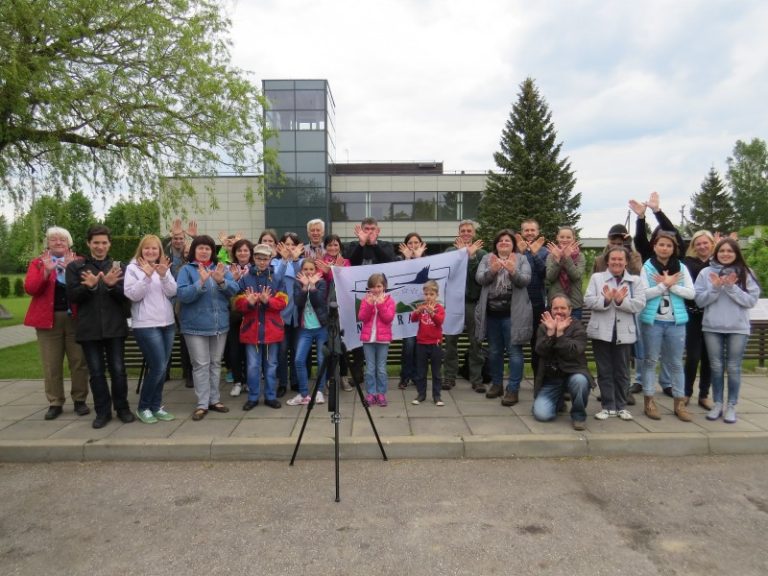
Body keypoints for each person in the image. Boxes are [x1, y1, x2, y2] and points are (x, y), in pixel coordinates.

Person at [65, 225, 134, 429]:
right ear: (88, 243)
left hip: (114, 327)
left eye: (104, 242)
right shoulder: (76, 268)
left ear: (109, 244)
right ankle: (102, 411)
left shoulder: (119, 267)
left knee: (119, 371)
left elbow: (127, 298)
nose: (100, 246)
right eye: (96, 242)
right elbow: (72, 296)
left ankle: (122, 408)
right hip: (89, 329)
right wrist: (91, 286)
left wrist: (112, 286)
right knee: (96, 373)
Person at [24, 227, 90, 420]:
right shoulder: (38, 263)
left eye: (62, 239)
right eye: (54, 239)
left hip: (75, 319)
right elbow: (31, 288)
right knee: (51, 364)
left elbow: (86, 289)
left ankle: (80, 400)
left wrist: (72, 270)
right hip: (48, 320)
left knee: (78, 361)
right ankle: (55, 402)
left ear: (69, 243)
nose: (58, 242)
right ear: (48, 243)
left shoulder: (79, 262)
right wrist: (46, 272)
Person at [694, 238, 760, 423]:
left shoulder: (746, 273)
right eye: (722, 250)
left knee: (733, 367)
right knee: (715, 367)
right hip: (712, 327)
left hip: (738, 328)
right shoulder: (706, 272)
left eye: (730, 251)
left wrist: (731, 288)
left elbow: (750, 301)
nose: (725, 254)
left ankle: (731, 405)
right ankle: (717, 403)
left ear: (736, 253)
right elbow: (699, 300)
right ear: (716, 253)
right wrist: (715, 288)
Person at [176, 235, 239, 421]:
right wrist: (200, 283)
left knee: (215, 363)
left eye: (208, 248)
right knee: (201, 365)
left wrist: (221, 281)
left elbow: (234, 289)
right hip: (194, 327)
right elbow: (183, 295)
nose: (204, 251)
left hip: (219, 326)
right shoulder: (186, 270)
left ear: (213, 251)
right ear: (194, 250)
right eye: (200, 247)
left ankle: (215, 400)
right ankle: (202, 403)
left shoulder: (221, 268)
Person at [584, 246, 646, 421]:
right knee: (604, 370)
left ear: (626, 261)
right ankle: (607, 406)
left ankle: (621, 406)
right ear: (607, 261)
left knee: (622, 370)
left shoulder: (635, 281)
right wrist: (605, 299)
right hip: (601, 331)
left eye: (620, 259)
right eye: (613, 259)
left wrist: (620, 301)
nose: (617, 262)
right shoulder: (598, 278)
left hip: (624, 332)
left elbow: (639, 304)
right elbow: (588, 300)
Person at [638, 232, 694, 422]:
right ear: (655, 246)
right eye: (661, 244)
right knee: (650, 361)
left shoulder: (682, 268)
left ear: (674, 249)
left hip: (675, 323)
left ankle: (679, 403)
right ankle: (649, 401)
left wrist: (671, 285)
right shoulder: (647, 267)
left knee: (676, 363)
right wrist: (663, 287)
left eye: (669, 246)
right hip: (653, 322)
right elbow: (643, 294)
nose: (665, 248)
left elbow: (691, 293)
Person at [123, 235, 178, 424]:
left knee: (161, 369)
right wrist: (146, 276)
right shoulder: (132, 269)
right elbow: (133, 295)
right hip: (146, 325)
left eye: (155, 249)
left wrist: (163, 276)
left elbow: (172, 292)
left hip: (167, 324)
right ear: (141, 250)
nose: (151, 252)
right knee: (158, 367)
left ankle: (156, 406)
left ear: (160, 251)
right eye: (147, 248)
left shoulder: (163, 267)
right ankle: (143, 407)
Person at [474, 229, 532, 407]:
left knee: (514, 352)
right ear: (496, 244)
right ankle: (497, 384)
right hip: (492, 315)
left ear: (513, 244)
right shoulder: (487, 258)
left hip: (513, 316)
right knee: (494, 352)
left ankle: (513, 389)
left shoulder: (521, 259)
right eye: (501, 241)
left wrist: (513, 271)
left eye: (508, 240)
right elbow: (479, 279)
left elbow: (525, 280)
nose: (504, 243)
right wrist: (492, 270)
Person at [235, 243, 287, 410]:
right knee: (252, 366)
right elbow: (237, 303)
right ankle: (253, 397)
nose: (262, 261)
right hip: (252, 330)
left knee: (271, 366)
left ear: (270, 259)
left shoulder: (277, 278)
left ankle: (270, 396)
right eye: (258, 258)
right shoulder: (245, 278)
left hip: (271, 330)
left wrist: (268, 301)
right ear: (254, 258)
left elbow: (283, 302)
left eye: (265, 258)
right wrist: (247, 303)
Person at [345, 217, 395, 388]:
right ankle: (358, 375)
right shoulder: (353, 245)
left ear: (378, 231)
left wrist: (374, 245)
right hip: (359, 297)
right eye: (366, 229)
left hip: (380, 298)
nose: (369, 232)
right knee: (360, 336)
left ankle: (379, 382)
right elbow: (349, 262)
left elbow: (390, 261)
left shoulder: (385, 245)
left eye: (372, 229)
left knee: (377, 337)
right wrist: (361, 244)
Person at [532, 295, 593, 430]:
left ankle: (578, 416)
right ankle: (558, 402)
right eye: (555, 308)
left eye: (563, 308)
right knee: (542, 415)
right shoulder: (544, 326)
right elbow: (540, 351)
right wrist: (550, 332)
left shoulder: (578, 327)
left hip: (573, 373)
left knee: (580, 381)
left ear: (570, 310)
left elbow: (573, 352)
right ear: (551, 310)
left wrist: (559, 334)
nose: (559, 311)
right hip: (551, 378)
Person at [443, 220, 486, 392]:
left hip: (472, 303)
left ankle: (476, 378)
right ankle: (449, 376)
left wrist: (472, 257)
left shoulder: (482, 253)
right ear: (458, 233)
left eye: (469, 230)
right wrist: (461, 255)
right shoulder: (450, 252)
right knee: (451, 341)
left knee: (476, 342)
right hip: (453, 304)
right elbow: (448, 273)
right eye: (463, 230)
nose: (466, 233)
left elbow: (480, 278)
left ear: (474, 233)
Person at [287, 258, 329, 406]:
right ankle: (304, 394)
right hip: (305, 329)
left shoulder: (322, 283)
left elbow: (319, 302)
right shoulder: (297, 283)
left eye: (311, 269)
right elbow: (298, 302)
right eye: (306, 269)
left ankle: (319, 391)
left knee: (321, 360)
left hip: (321, 328)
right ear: (301, 271)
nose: (309, 272)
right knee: (299, 360)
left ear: (316, 271)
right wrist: (304, 287)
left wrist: (312, 287)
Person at [315, 233, 353, 392]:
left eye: (335, 244)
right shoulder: (319, 261)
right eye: (329, 245)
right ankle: (331, 377)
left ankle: (343, 377)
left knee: (342, 344)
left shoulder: (346, 262)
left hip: (342, 309)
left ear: (340, 246)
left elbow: (346, 282)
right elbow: (318, 283)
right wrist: (329, 271)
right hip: (325, 310)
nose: (332, 247)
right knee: (330, 344)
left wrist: (330, 272)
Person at [683, 230, 716, 409]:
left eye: (706, 243)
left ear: (712, 244)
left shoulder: (719, 263)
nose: (702, 246)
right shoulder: (688, 263)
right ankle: (686, 392)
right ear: (694, 246)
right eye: (698, 243)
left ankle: (704, 394)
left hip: (713, 316)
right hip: (693, 315)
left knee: (709, 357)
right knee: (693, 356)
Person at [516, 219, 548, 381]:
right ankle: (515, 382)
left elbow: (545, 274)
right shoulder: (515, 251)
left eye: (532, 230)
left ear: (537, 232)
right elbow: (511, 273)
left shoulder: (544, 251)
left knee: (537, 344)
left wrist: (535, 254)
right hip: (518, 303)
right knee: (516, 345)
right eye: (526, 230)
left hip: (537, 303)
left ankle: (538, 380)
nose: (529, 233)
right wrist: (520, 254)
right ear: (521, 232)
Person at [358, 272, 395, 407]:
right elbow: (362, 317)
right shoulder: (366, 300)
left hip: (382, 341)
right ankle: (371, 393)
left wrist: (380, 305)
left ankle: (381, 393)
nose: (376, 289)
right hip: (368, 340)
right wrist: (369, 305)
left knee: (381, 369)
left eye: (379, 286)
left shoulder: (389, 300)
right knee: (369, 369)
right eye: (373, 286)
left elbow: (388, 318)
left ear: (384, 286)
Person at [396, 232, 428, 390]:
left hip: (423, 310)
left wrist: (419, 259)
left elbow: (428, 281)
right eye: (410, 243)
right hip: (407, 311)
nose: (413, 246)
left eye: (416, 243)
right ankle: (405, 376)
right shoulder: (398, 261)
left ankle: (418, 376)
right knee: (408, 345)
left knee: (420, 347)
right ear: (405, 245)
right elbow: (401, 279)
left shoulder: (428, 261)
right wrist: (408, 260)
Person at [274, 231, 304, 397]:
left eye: (293, 245)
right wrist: (285, 260)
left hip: (297, 314)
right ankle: (283, 383)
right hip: (281, 315)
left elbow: (302, 277)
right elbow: (276, 279)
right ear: (281, 246)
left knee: (296, 350)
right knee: (282, 350)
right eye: (287, 244)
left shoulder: (301, 262)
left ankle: (295, 381)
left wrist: (294, 260)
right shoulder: (276, 262)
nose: (290, 248)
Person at [224, 238, 253, 397]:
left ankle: (248, 381)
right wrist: (233, 280)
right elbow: (224, 291)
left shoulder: (255, 268)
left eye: (246, 250)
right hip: (234, 314)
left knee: (249, 351)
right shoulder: (228, 269)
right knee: (234, 351)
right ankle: (237, 381)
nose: (242, 253)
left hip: (250, 314)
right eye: (239, 250)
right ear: (234, 253)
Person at [410, 280, 446, 406]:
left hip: (435, 344)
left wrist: (432, 313)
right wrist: (417, 312)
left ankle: (437, 396)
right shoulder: (422, 306)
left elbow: (439, 322)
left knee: (436, 372)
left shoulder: (439, 308)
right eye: (426, 294)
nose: (428, 297)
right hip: (421, 343)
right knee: (421, 372)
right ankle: (421, 394)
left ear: (437, 295)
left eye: (431, 294)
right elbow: (413, 319)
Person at [546, 226, 585, 320]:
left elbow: (576, 276)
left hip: (574, 304)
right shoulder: (551, 256)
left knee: (574, 333)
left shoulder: (580, 256)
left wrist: (567, 258)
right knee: (554, 333)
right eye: (562, 237)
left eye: (568, 237)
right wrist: (558, 260)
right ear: (557, 238)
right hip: (556, 304)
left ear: (573, 238)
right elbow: (550, 277)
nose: (565, 240)